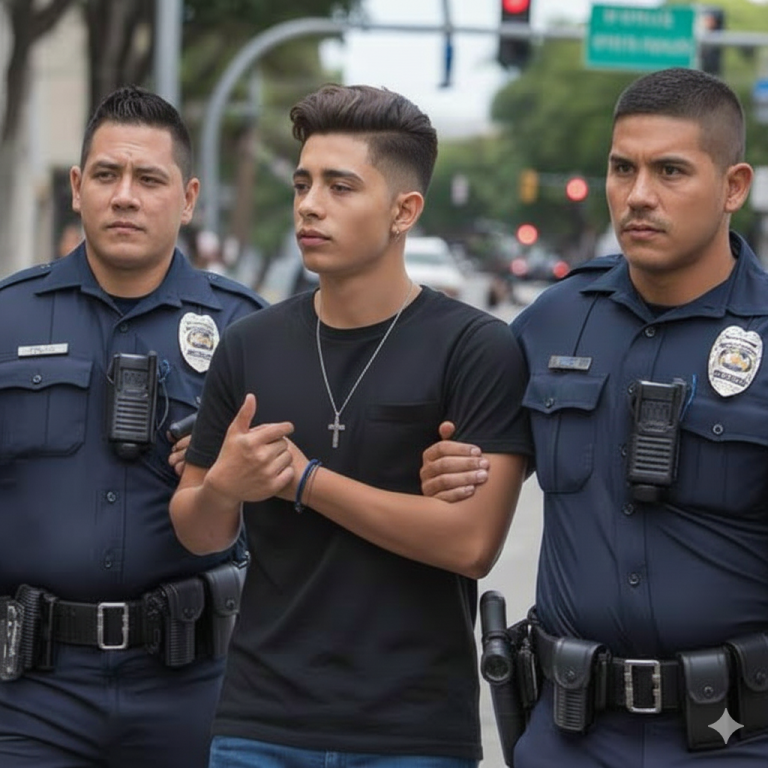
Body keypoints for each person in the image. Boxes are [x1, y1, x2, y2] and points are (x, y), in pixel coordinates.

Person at [169, 83, 532, 767]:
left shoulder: (475, 348)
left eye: (340, 187)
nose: (309, 204)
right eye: (304, 182)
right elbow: (198, 528)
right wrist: (226, 485)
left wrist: (305, 481)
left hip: (412, 731)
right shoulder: (250, 343)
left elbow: (471, 543)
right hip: (258, 723)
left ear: (405, 210)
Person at [420, 67, 768, 765]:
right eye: (622, 168)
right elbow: (472, 501)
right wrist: (449, 468)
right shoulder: (552, 321)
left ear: (734, 187)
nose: (638, 195)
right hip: (570, 735)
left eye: (670, 171)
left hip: (737, 741)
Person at [0, 85, 266, 768]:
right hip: (30, 694)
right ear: (76, 187)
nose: (125, 196)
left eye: (149, 178)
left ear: (187, 198)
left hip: (195, 686)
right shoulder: (9, 319)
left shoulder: (245, 330)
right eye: (106, 175)